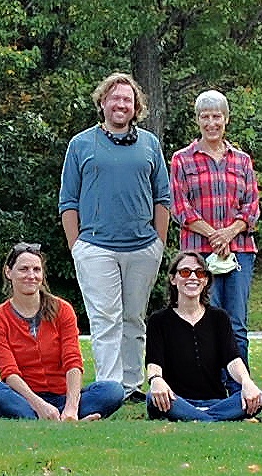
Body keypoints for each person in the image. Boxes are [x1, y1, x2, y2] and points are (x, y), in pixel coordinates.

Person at [57, 73, 171, 401]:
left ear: (136, 107)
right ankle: (110, 388)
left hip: (142, 247)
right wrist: (76, 245)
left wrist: (158, 244)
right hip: (95, 248)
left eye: (127, 99)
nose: (121, 104)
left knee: (134, 318)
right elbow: (68, 200)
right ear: (102, 103)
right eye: (114, 98)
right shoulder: (81, 144)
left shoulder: (150, 144)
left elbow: (162, 197)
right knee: (105, 319)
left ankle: (133, 385)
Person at [168, 90, 261, 377]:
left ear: (226, 119)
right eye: (205, 117)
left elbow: (252, 206)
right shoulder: (182, 160)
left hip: (240, 253)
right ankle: (211, 387)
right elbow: (179, 207)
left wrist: (229, 234)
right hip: (198, 253)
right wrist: (214, 235)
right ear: (197, 120)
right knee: (205, 319)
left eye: (216, 116)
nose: (211, 123)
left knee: (237, 324)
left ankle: (240, 388)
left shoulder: (242, 160)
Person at [0, 243, 125, 420]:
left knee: (113, 390)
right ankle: (47, 417)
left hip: (63, 396)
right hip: (25, 398)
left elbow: (73, 361)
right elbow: (9, 372)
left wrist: (71, 407)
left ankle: (61, 417)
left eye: (36, 270)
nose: (31, 276)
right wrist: (40, 405)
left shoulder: (62, 309)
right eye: (23, 269)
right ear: (9, 272)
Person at [144, 252, 262, 422]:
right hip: (175, 400)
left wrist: (246, 382)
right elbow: (154, 362)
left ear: (206, 280)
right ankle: (212, 418)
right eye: (185, 272)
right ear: (173, 279)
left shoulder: (219, 318)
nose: (193, 277)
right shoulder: (158, 320)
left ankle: (199, 417)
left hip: (216, 402)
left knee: (258, 396)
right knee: (153, 397)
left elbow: (233, 359)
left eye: (199, 273)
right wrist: (156, 380)